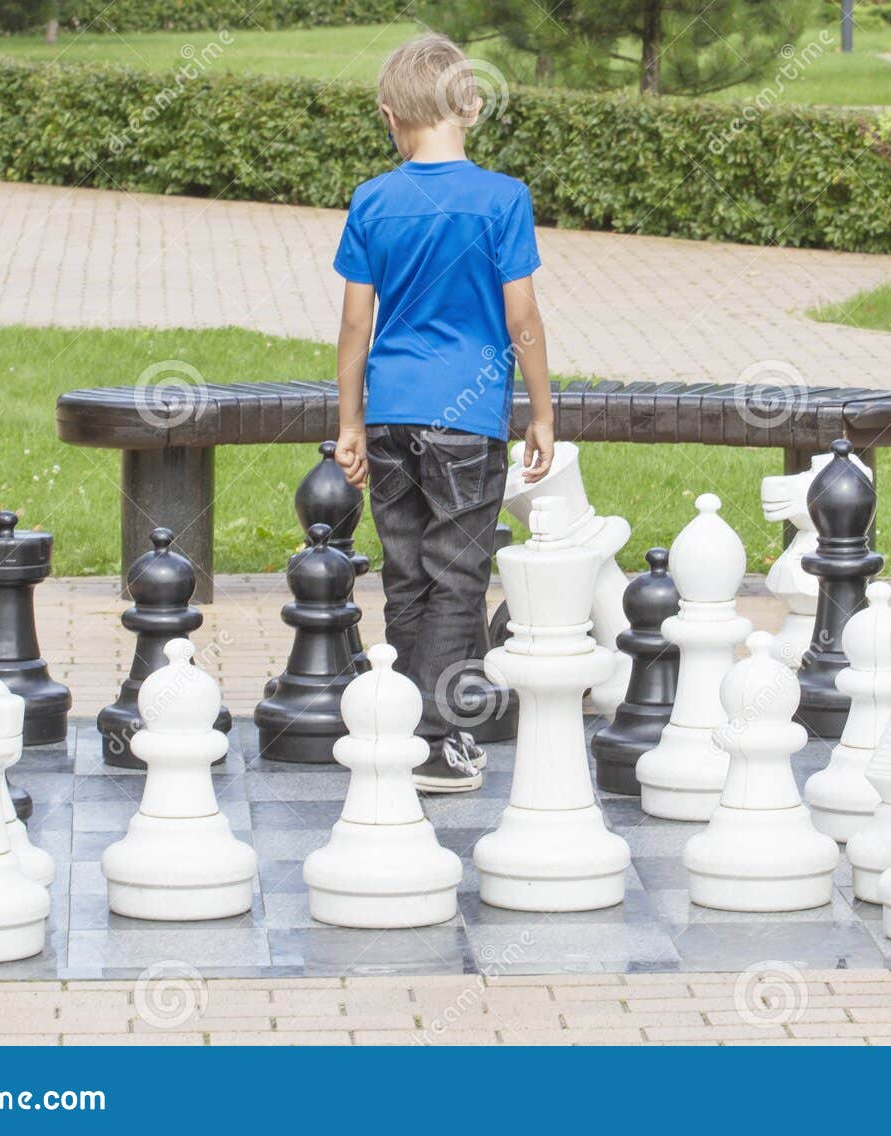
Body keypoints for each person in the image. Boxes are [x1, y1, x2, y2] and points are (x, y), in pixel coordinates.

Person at [332, 33, 554, 792]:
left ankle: (399, 721)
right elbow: (521, 317)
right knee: (458, 578)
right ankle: (436, 739)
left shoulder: (372, 200)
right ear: (472, 104)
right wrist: (542, 413)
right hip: (467, 421)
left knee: (404, 575)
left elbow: (356, 326)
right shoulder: (503, 199)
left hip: (391, 416)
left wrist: (350, 425)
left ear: (392, 115)